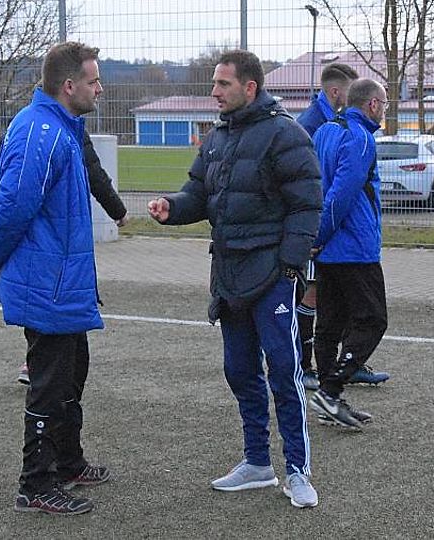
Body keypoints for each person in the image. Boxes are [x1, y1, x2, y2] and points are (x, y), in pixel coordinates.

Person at [146, 49, 321, 509]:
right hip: (228, 273)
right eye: (214, 83)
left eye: (223, 84)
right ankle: (258, 463)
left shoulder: (286, 134)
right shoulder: (217, 137)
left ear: (250, 87)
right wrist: (171, 207)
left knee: (284, 371)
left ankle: (298, 471)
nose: (214, 92)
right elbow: (198, 193)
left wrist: (290, 266)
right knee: (239, 370)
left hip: (272, 275)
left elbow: (307, 206)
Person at [0, 41, 110, 515]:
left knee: (72, 376)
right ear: (69, 86)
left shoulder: (61, 129)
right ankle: (35, 483)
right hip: (46, 284)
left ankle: (68, 463)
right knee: (50, 384)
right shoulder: (41, 132)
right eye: (93, 81)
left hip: (63, 283)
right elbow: (12, 206)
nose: (99, 89)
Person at [0, 131, 129, 385]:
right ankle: (39, 365)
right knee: (47, 298)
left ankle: (44, 367)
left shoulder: (19, 131)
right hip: (50, 245)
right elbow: (4, 201)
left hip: (42, 246)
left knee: (43, 299)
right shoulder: (57, 133)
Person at [295, 63, 390, 391]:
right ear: (373, 104)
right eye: (384, 104)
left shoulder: (325, 131)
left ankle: (327, 391)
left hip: (327, 249)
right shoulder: (360, 138)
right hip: (353, 247)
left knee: (330, 323)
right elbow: (340, 195)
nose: (384, 110)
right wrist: (318, 235)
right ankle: (333, 385)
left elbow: (315, 186)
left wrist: (314, 235)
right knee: (374, 320)